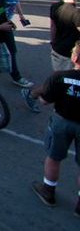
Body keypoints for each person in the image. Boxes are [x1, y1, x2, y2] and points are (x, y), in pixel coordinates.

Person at [24, 42, 80, 213]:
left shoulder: (59, 77)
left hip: (61, 121)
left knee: (54, 157)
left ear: (74, 57)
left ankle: (48, 190)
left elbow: (44, 101)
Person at [49, 0, 80, 72]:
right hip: (72, 52)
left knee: (59, 76)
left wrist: (53, 41)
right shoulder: (77, 13)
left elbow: (53, 27)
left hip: (58, 48)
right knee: (71, 77)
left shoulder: (55, 7)